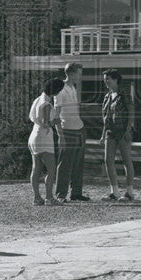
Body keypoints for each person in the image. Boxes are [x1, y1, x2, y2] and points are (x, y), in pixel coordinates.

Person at [53, 62, 89, 202]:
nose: (79, 77)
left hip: (79, 128)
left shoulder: (73, 87)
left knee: (78, 163)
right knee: (65, 163)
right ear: (72, 73)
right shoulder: (60, 90)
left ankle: (76, 193)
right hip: (67, 130)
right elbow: (56, 115)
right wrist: (61, 136)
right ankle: (61, 194)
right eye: (78, 74)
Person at [100, 69, 135, 202]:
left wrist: (128, 130)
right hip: (110, 132)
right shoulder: (107, 96)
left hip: (122, 131)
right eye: (105, 80)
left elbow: (131, 113)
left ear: (115, 80)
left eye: (108, 79)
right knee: (108, 161)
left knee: (126, 160)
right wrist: (103, 134)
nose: (106, 82)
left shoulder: (124, 94)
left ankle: (129, 192)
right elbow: (106, 117)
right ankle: (114, 192)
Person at [28, 78, 65, 206]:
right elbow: (45, 123)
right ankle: (49, 197)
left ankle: (37, 197)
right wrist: (56, 121)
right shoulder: (47, 104)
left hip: (34, 135)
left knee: (36, 168)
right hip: (43, 137)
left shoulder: (37, 100)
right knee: (51, 169)